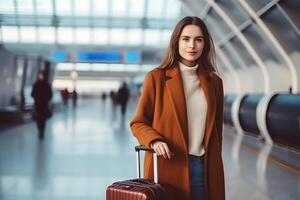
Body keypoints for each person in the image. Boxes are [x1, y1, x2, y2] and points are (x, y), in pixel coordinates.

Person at [130, 16, 225, 200]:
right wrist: (155, 140)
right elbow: (138, 122)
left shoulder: (214, 83)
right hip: (167, 167)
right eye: (186, 39)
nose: (192, 45)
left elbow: (217, 130)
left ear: (205, 44)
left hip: (203, 168)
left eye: (198, 40)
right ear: (176, 42)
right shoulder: (157, 78)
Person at [31, 71, 53, 140]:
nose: (41, 77)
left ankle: (41, 132)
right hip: (38, 104)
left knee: (42, 119)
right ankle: (40, 130)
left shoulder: (46, 85)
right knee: (38, 118)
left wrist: (45, 98)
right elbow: (32, 94)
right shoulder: (36, 84)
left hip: (44, 104)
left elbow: (50, 95)